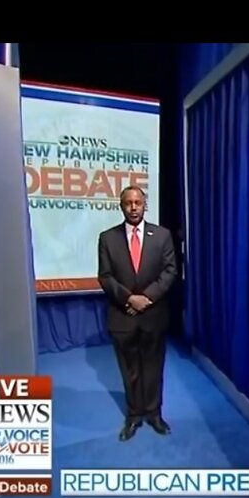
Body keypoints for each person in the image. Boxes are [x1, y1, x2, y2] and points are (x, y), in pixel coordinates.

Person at [97, 186, 178, 442]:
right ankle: (133, 416)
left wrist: (147, 298)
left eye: (138, 202)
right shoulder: (107, 238)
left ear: (145, 205)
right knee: (129, 370)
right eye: (128, 203)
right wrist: (129, 299)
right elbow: (105, 276)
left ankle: (153, 414)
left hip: (153, 315)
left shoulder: (162, 235)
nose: (133, 207)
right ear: (121, 206)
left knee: (153, 367)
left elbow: (170, 271)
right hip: (122, 316)